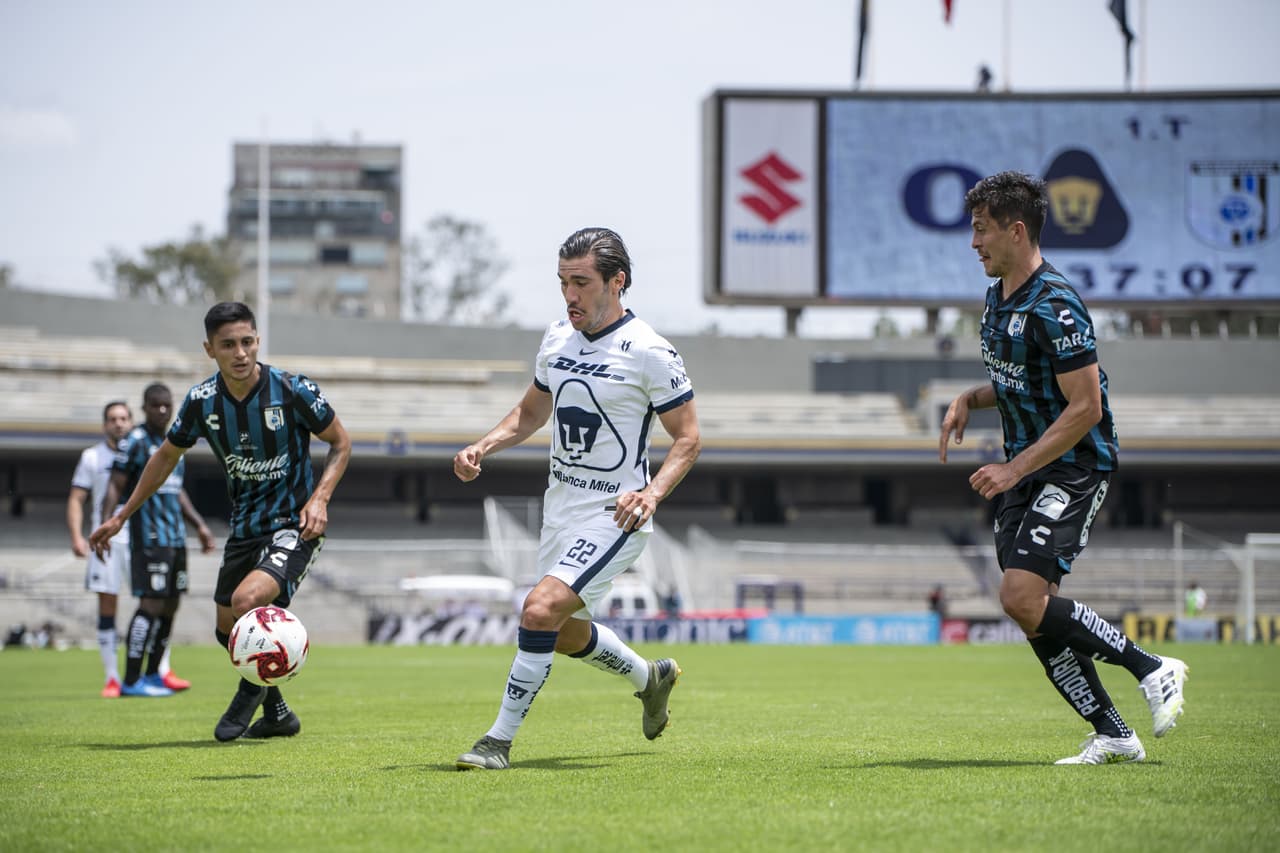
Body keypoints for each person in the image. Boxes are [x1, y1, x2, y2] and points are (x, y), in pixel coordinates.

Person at [939, 171, 1188, 766]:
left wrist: (1009, 469)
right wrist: (968, 399)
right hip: (1026, 471)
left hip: (1074, 465)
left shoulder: (1058, 304)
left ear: (1016, 230)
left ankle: (1153, 666)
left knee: (1019, 595)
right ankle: (1113, 734)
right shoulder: (998, 299)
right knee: (1033, 614)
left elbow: (1085, 406)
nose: (974, 243)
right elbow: (1019, 381)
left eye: (981, 231)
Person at [452, 227, 701, 770]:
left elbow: (689, 438)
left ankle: (497, 741)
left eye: (582, 282)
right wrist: (484, 445)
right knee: (562, 632)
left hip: (617, 513)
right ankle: (650, 677)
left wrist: (651, 493)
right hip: (560, 509)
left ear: (618, 282)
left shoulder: (651, 352)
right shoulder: (557, 339)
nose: (570, 295)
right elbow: (531, 413)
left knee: (538, 609)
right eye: (563, 282)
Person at [91, 301, 350, 741]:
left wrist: (320, 499)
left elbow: (341, 443)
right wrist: (121, 515)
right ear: (210, 349)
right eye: (228, 344)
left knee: (248, 601)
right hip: (244, 527)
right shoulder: (201, 401)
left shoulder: (292, 389)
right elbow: (164, 458)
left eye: (247, 342)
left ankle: (241, 707)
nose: (240, 352)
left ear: (258, 341)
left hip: (295, 524)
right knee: (226, 629)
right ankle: (279, 715)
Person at [103, 383, 216, 697]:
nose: (162, 411)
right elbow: (116, 484)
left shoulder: (174, 443)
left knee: (170, 605)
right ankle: (131, 679)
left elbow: (176, 491)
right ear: (145, 407)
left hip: (175, 538)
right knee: (149, 604)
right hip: (149, 537)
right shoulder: (136, 441)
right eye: (156, 405)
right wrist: (106, 523)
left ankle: (154, 674)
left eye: (167, 405)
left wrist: (200, 526)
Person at [67, 400, 134, 697]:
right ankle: (111, 677)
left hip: (140, 538)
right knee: (107, 606)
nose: (118, 423)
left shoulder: (143, 451)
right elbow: (76, 498)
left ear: (131, 421)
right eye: (112, 419)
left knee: (155, 603)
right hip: (103, 541)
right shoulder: (91, 457)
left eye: (123, 418)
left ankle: (157, 671)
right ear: (105, 423)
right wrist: (77, 536)